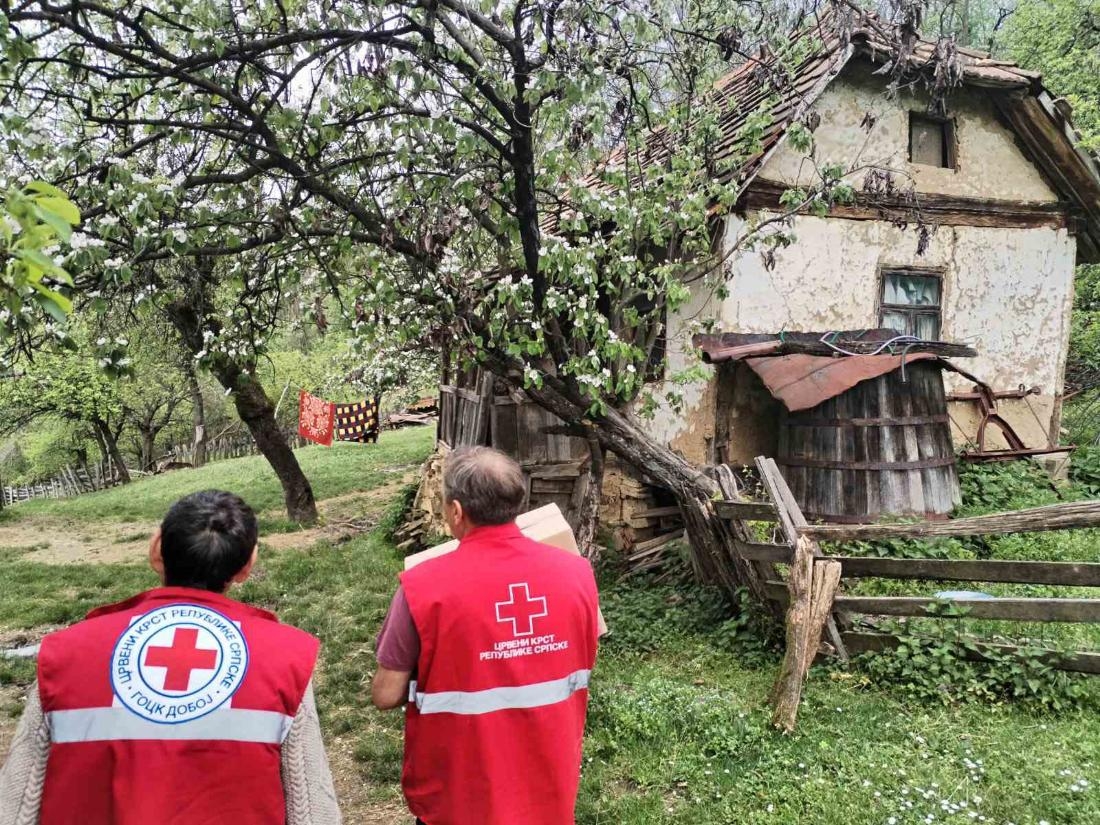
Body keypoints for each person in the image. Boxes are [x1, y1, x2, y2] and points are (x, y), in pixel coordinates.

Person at [0, 490, 342, 825]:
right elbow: (312, 809)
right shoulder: (284, 659)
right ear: (247, 565)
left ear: (156, 549)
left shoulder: (66, 654)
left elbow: (16, 804)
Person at [373, 446, 602, 825]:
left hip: (460, 798)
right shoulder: (577, 574)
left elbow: (385, 694)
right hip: (547, 788)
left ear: (456, 511)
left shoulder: (422, 587)